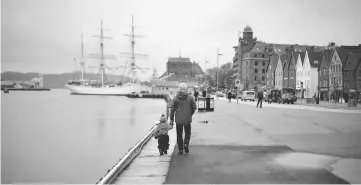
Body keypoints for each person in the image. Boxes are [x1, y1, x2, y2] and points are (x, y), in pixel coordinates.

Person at [169, 83, 197, 155]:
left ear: (179, 89)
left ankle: (180, 149)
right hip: (187, 119)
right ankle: (186, 144)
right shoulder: (190, 98)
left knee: (179, 134)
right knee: (187, 133)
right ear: (186, 89)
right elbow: (194, 107)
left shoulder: (175, 98)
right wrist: (190, 114)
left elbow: (172, 110)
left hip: (178, 119)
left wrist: (171, 119)